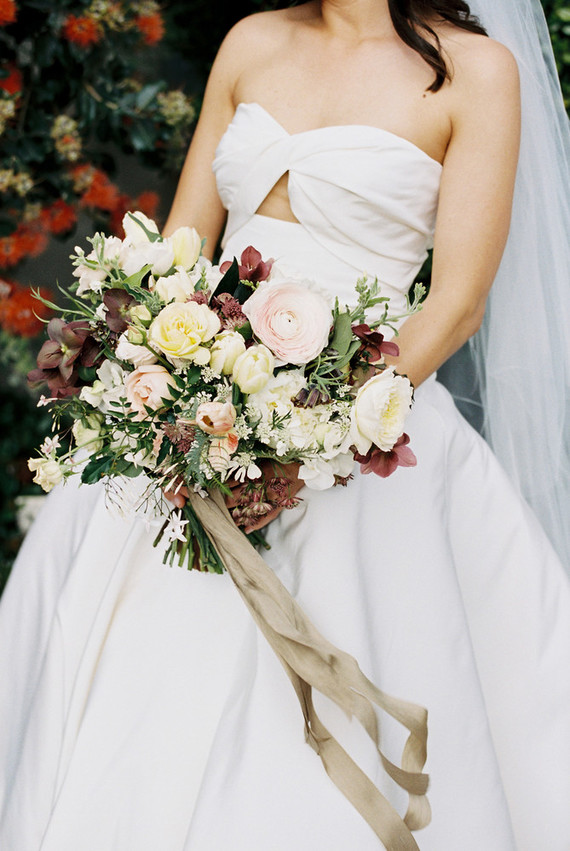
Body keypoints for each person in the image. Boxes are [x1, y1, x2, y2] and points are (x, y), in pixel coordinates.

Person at [1, 1, 569, 849]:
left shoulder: (476, 70)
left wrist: (311, 437)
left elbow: (456, 304)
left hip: (368, 432)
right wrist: (164, 384)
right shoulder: (252, 41)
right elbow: (182, 249)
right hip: (198, 414)